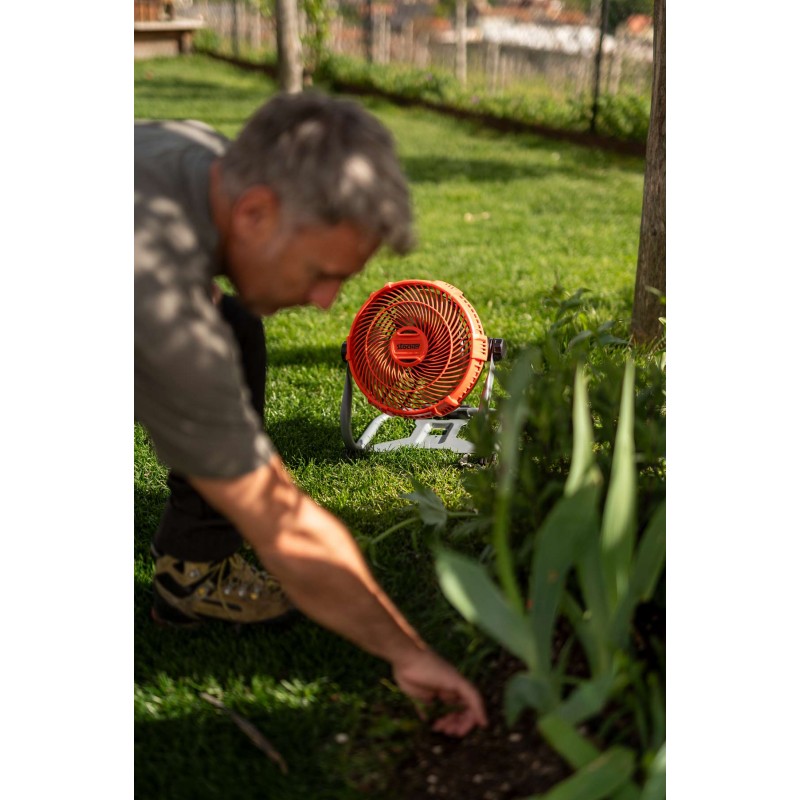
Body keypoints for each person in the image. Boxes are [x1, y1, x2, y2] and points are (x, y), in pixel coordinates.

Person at [135, 91, 487, 737]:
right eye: (322, 273)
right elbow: (285, 529)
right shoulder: (155, 295)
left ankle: (194, 564)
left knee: (233, 319)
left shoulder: (198, 153)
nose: (326, 302)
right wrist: (407, 651)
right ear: (255, 213)